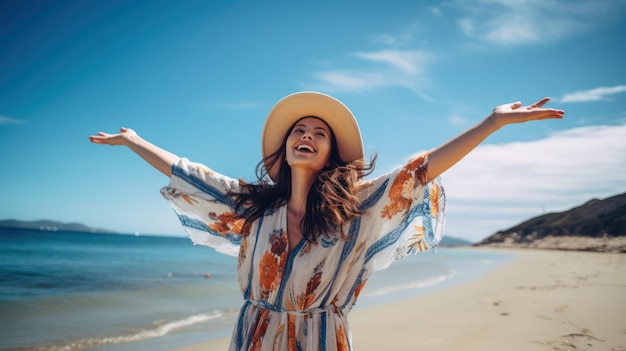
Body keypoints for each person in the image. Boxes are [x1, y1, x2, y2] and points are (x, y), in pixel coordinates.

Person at [89, 91, 564, 350]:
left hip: (321, 339)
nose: (307, 136)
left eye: (319, 133)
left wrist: (491, 123)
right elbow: (190, 175)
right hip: (253, 335)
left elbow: (417, 171)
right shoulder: (254, 205)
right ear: (287, 146)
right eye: (300, 130)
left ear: (331, 152)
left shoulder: (355, 207)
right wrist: (135, 141)